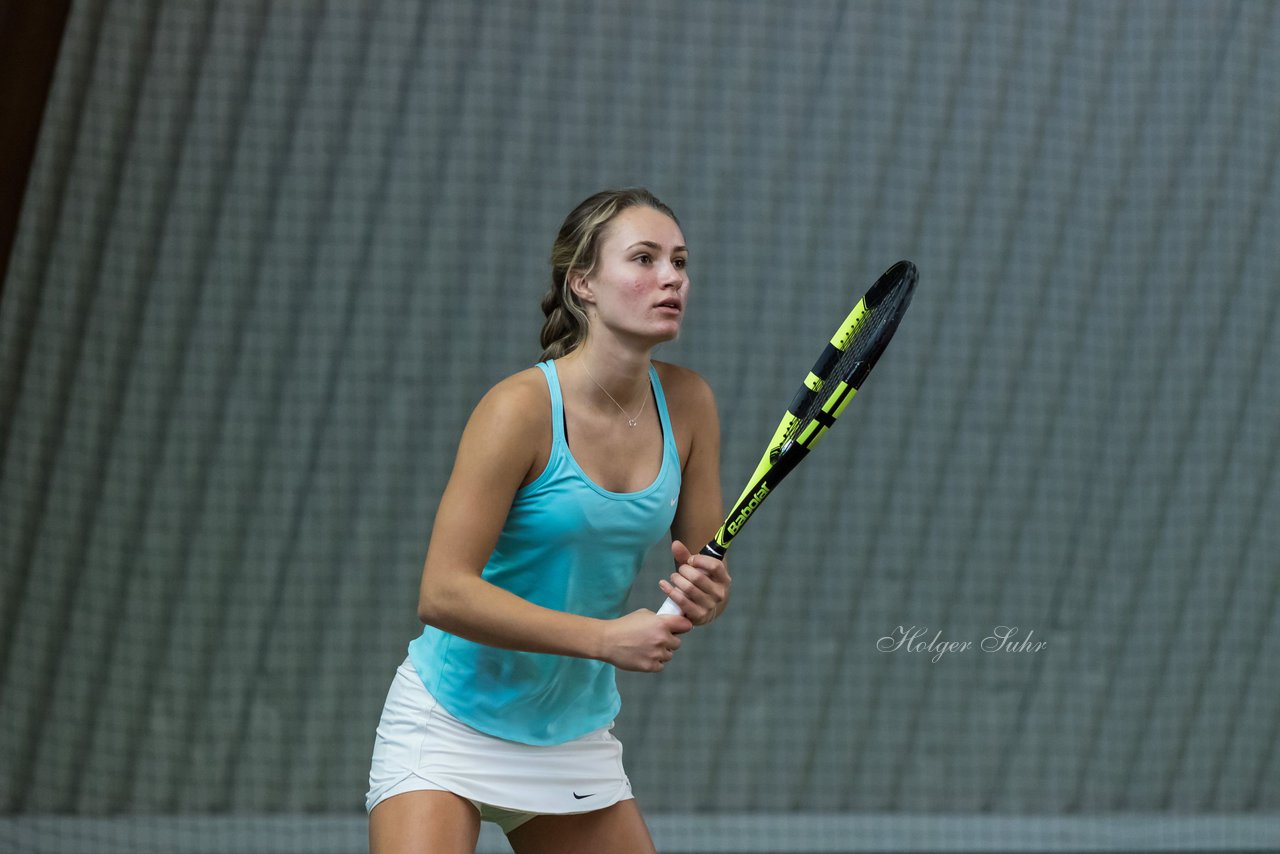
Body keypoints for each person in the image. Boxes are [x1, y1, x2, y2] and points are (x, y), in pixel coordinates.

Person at [366, 188, 731, 854]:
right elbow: (442, 592)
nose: (671, 276)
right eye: (644, 258)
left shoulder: (689, 404)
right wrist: (602, 639)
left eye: (679, 261)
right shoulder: (518, 409)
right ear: (583, 283)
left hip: (571, 733)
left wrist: (707, 597)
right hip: (450, 724)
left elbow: (701, 569)